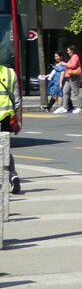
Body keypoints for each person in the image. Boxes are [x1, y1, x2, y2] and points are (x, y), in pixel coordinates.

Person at [1, 60, 21, 194]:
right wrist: (18, 121)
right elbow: (17, 100)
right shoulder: (9, 73)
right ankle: (12, 175)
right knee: (4, 148)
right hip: (6, 117)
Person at [59, 44, 82, 113]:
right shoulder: (72, 57)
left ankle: (79, 107)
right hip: (69, 77)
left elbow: (73, 66)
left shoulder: (75, 56)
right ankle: (65, 107)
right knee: (65, 91)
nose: (67, 52)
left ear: (72, 51)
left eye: (68, 51)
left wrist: (65, 64)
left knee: (76, 92)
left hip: (74, 77)